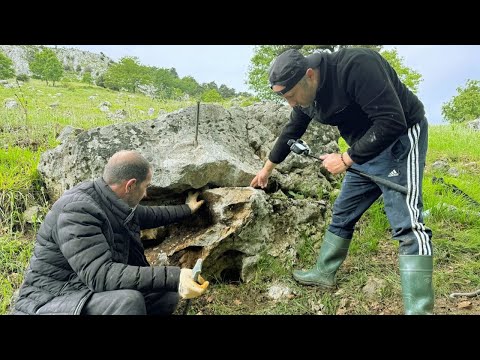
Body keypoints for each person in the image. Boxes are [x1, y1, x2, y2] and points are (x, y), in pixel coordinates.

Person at [250, 48, 433, 315]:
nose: (291, 103)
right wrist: (267, 169)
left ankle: (419, 309)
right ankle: (324, 272)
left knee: (408, 225)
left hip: (400, 141)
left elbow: (392, 120)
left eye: (290, 96)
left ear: (309, 75)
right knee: (343, 212)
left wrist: (346, 159)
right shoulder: (305, 98)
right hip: (363, 150)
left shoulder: (356, 65)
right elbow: (293, 129)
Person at [13, 150, 209, 315]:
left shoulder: (110, 200)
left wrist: (187, 209)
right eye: (145, 186)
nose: (146, 194)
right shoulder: (77, 211)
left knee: (165, 294)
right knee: (127, 301)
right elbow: (101, 275)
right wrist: (175, 276)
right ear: (130, 185)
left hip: (81, 289)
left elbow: (150, 215)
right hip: (51, 299)